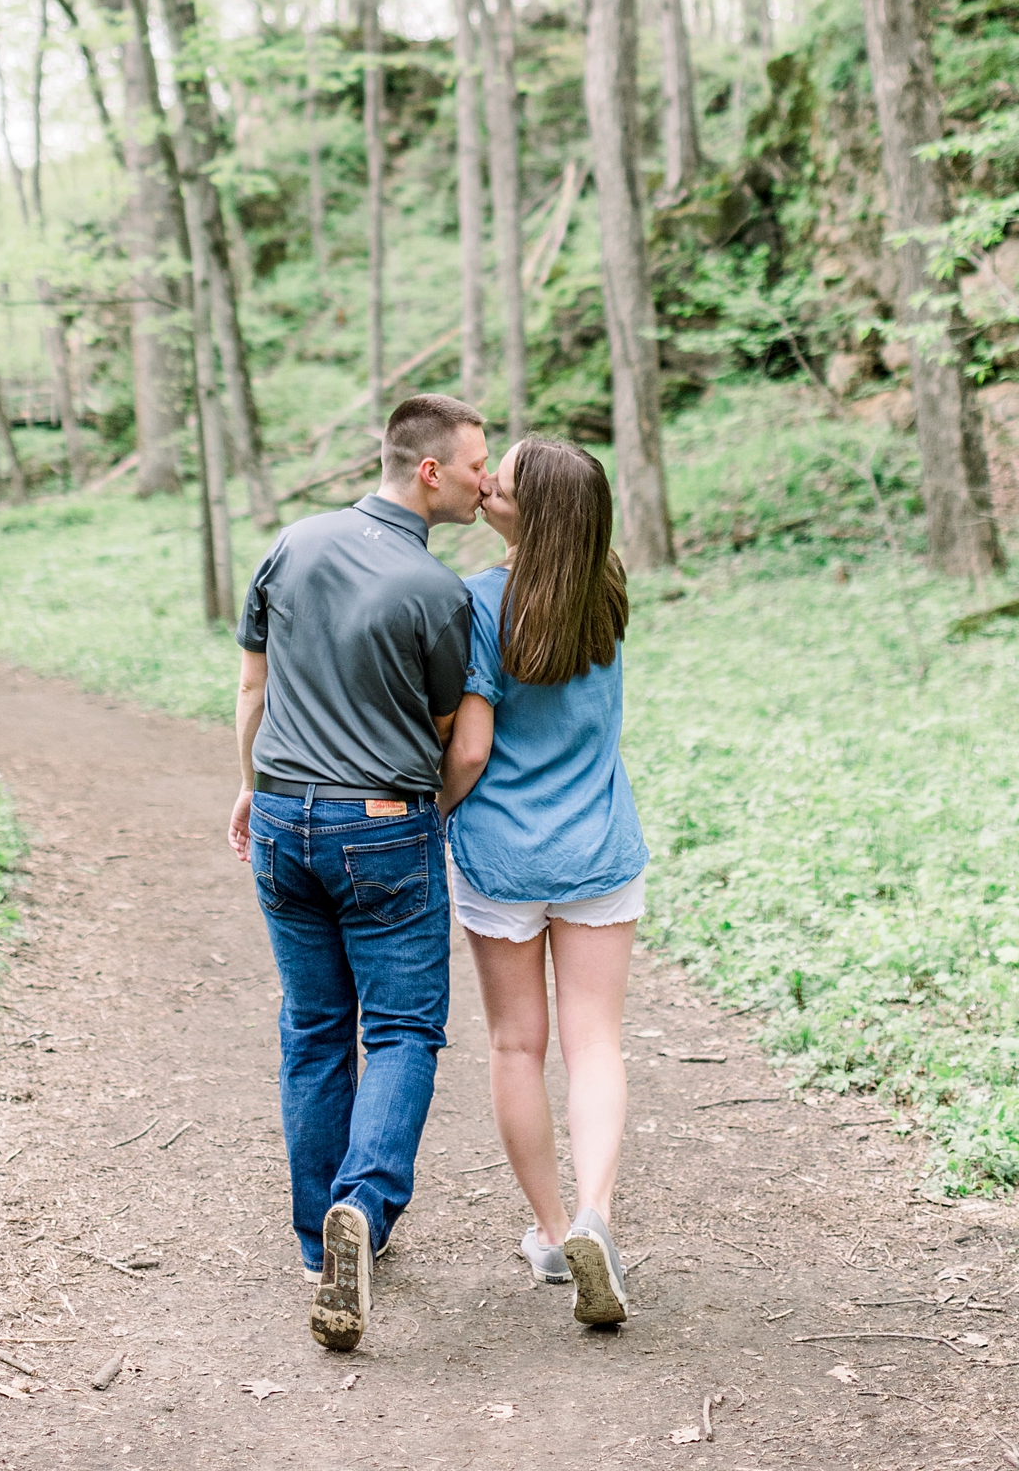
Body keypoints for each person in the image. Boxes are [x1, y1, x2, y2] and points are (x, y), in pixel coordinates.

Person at [229, 393, 490, 1352]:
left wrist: (251, 788)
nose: (484, 479)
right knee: (408, 1028)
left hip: (281, 818)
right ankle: (363, 1214)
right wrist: (412, 815)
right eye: (475, 464)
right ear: (430, 471)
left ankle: (316, 1241)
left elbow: (255, 684)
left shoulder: (291, 544)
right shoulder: (437, 592)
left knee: (313, 1028)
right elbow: (446, 734)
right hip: (381, 821)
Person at [438, 435, 647, 1329]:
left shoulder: (482, 603)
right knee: (595, 1044)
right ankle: (597, 1214)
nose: (486, 483)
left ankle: (553, 1232)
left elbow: (473, 746)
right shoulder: (608, 590)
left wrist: (436, 811)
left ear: (534, 512)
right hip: (598, 847)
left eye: (504, 481)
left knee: (517, 1048)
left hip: (503, 859)